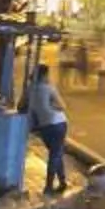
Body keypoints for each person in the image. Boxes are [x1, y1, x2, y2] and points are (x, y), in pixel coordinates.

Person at [28, 61, 73, 196]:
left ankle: (62, 182)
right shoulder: (49, 88)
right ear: (44, 76)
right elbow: (62, 106)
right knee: (55, 154)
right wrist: (51, 107)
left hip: (44, 127)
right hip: (58, 123)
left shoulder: (30, 89)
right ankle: (48, 186)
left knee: (56, 153)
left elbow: (22, 106)